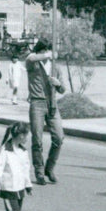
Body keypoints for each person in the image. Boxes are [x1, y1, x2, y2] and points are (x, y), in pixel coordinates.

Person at [25, 38, 65, 185]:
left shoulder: (55, 67)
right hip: (37, 102)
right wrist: (48, 55)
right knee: (37, 140)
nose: (46, 53)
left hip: (52, 104)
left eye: (47, 50)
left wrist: (58, 84)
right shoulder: (33, 62)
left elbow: (63, 89)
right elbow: (30, 57)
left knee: (59, 138)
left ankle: (50, 168)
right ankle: (39, 172)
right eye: (43, 50)